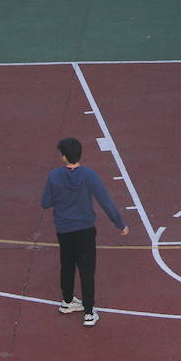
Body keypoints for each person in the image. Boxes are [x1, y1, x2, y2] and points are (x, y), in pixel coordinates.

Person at [40, 136, 129, 327]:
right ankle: (89, 312)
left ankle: (67, 302)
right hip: (85, 230)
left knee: (67, 265)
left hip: (64, 230)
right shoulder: (89, 175)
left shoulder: (54, 176)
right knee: (87, 270)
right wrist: (120, 224)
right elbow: (105, 201)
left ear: (63, 157)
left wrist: (61, 197)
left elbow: (45, 203)